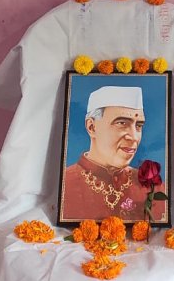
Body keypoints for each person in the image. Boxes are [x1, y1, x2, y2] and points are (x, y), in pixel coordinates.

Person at [60, 85, 168, 223]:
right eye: (122, 123)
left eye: (139, 126)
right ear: (92, 127)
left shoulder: (154, 188)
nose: (134, 137)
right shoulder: (65, 186)